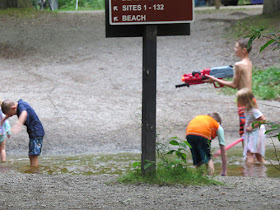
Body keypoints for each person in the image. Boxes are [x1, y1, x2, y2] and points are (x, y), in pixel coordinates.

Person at [205, 38, 253, 139]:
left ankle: (246, 154)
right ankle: (250, 153)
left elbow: (234, 85)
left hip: (243, 99)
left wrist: (215, 79)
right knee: (249, 127)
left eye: (236, 47)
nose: (234, 49)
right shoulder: (249, 62)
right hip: (251, 98)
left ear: (244, 50)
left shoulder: (238, 65)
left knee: (243, 130)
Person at [1, 99, 45, 167]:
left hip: (36, 132)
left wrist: (18, 124)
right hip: (33, 132)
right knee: (31, 154)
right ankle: (33, 167)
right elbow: (9, 115)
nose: (11, 116)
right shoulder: (19, 105)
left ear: (13, 108)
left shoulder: (21, 106)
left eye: (10, 114)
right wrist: (3, 120)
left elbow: (24, 113)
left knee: (34, 155)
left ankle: (35, 171)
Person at [236, 88, 266, 164]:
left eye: (239, 99)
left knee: (249, 154)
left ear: (245, 100)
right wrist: (245, 133)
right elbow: (248, 122)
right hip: (252, 133)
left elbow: (263, 120)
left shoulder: (254, 110)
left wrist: (252, 127)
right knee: (258, 155)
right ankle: (261, 171)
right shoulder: (246, 110)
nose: (237, 101)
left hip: (257, 133)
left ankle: (249, 174)